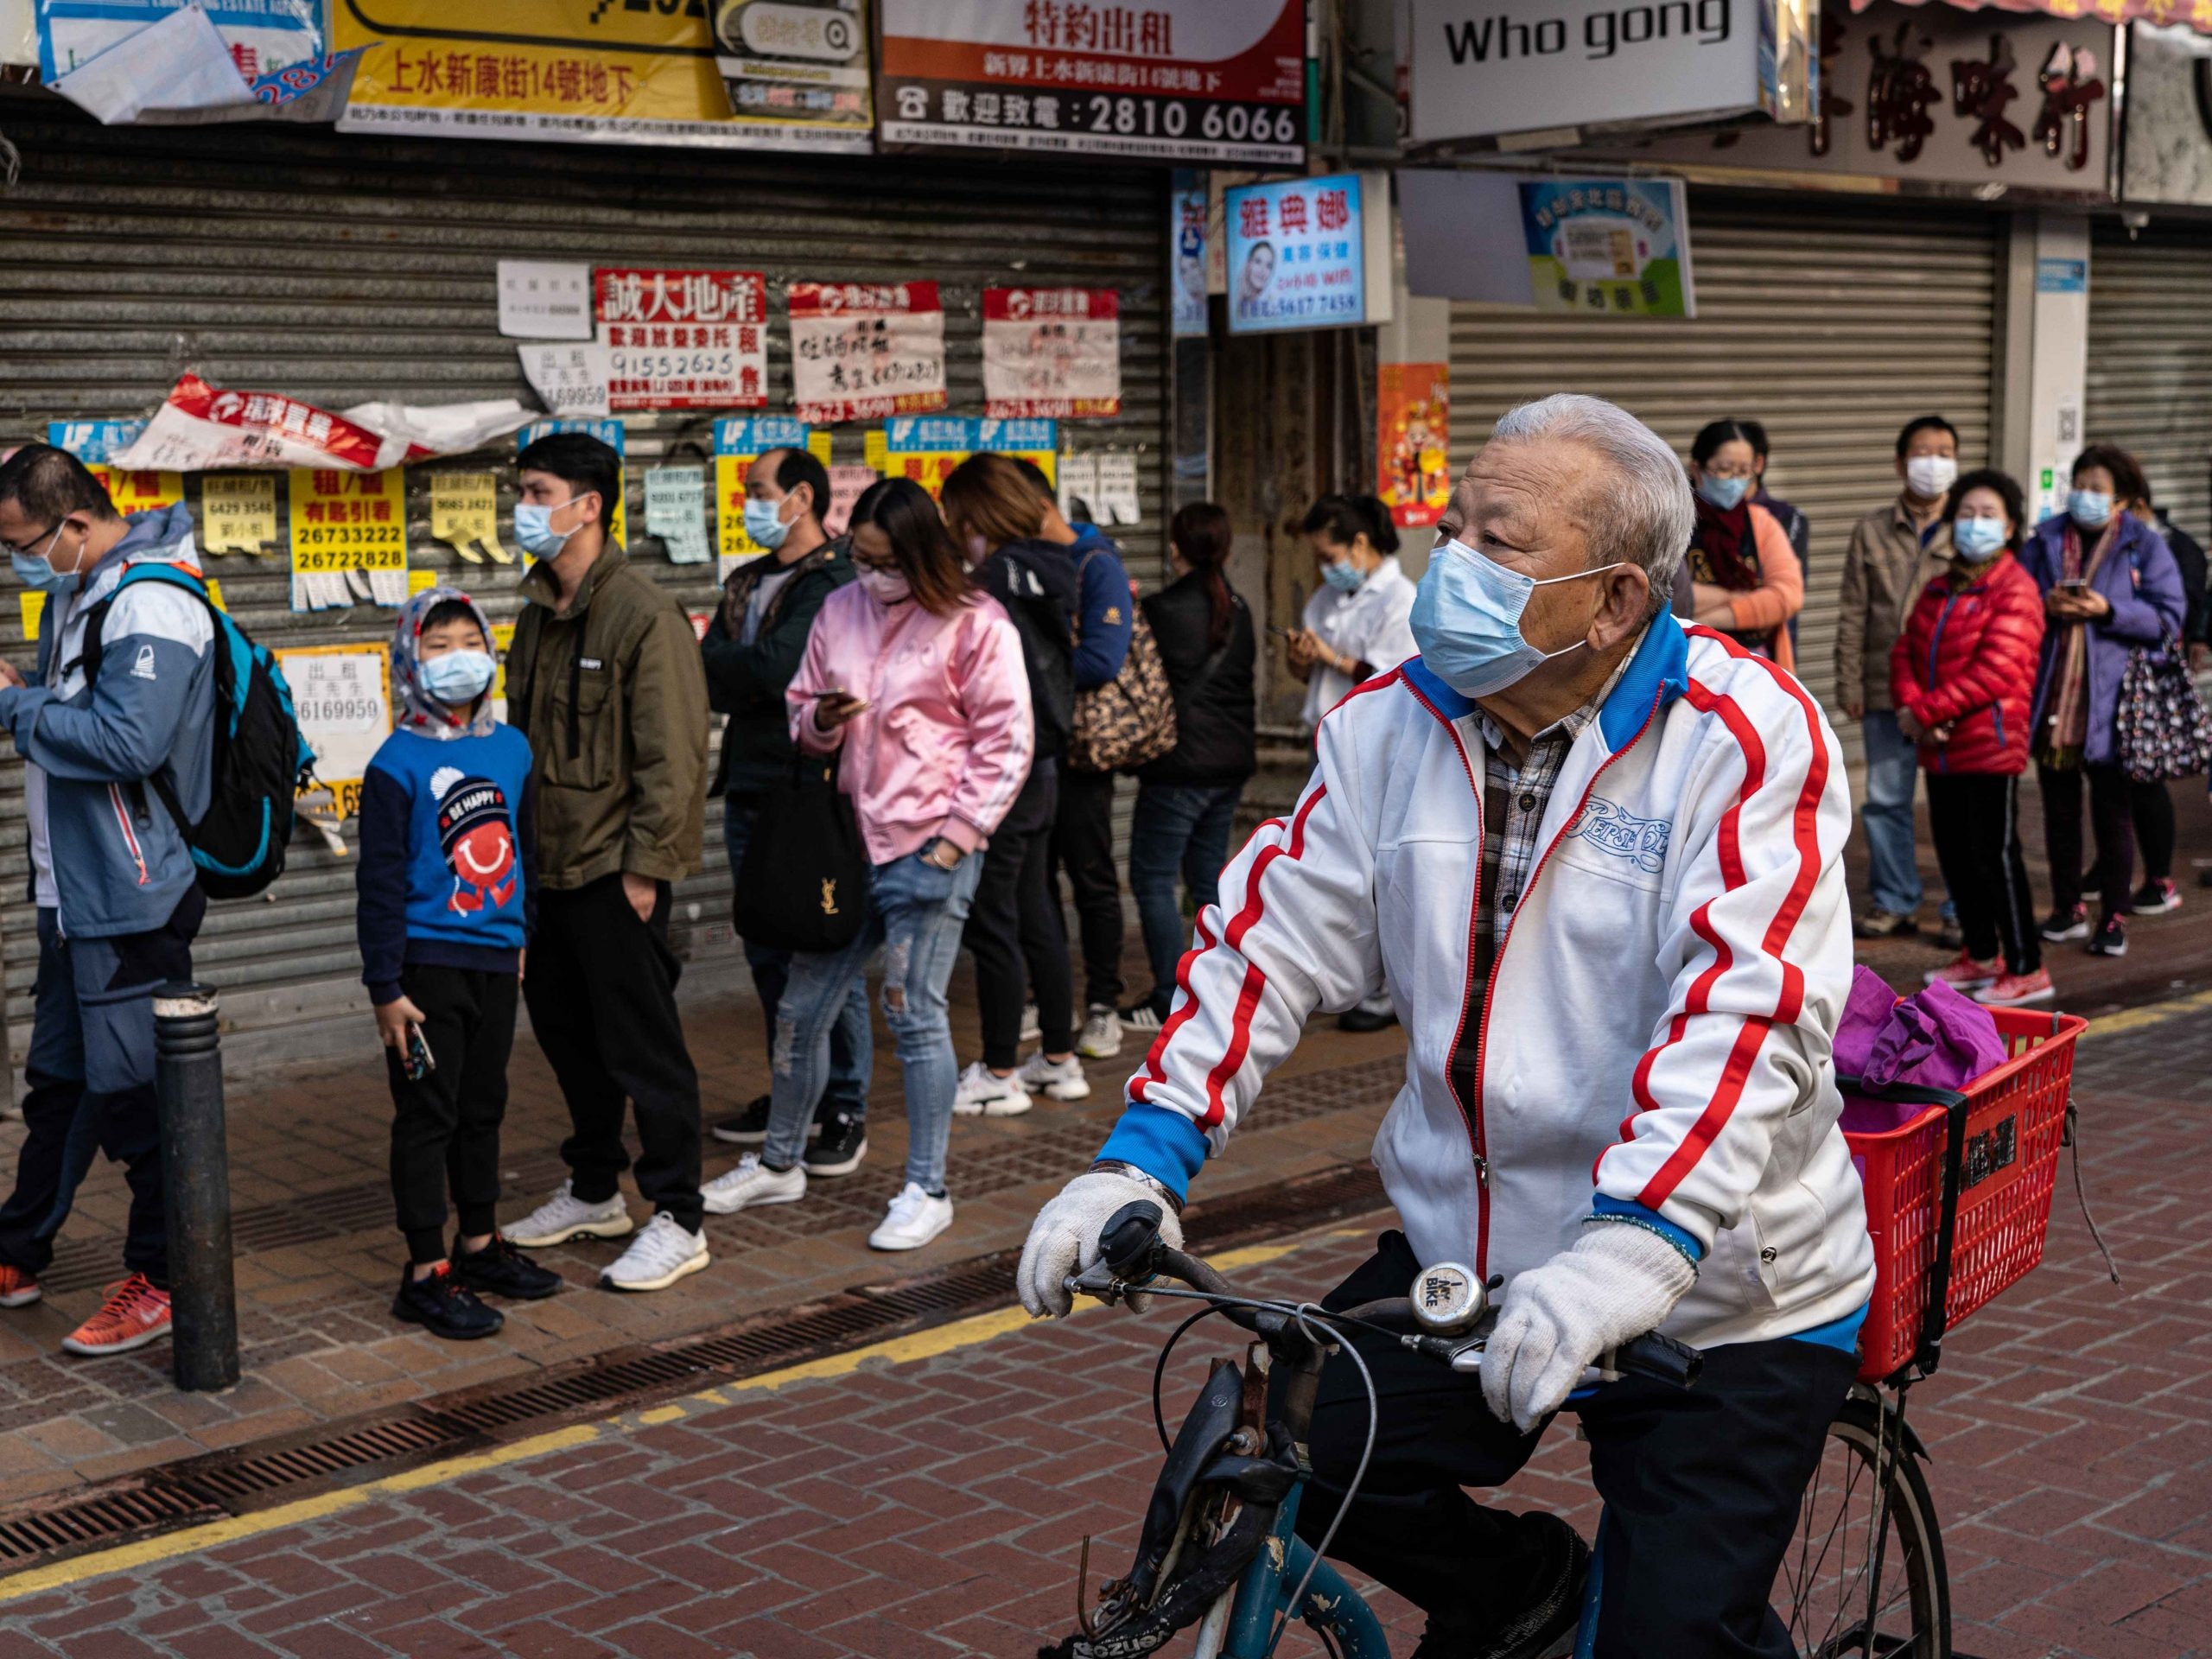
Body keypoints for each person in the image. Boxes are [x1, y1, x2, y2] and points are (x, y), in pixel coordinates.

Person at [1020, 395, 1874, 1658]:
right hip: (1469, 1259)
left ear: (1618, 599)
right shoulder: (1387, 723)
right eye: (1453, 525)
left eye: (1501, 542)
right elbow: (1266, 941)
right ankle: (1512, 1585)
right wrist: (1141, 1156)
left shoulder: (1744, 739)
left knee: (1673, 1634)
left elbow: (1749, 1014)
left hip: (1721, 1291)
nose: (1450, 563)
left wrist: (1632, 1247)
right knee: (1291, 1449)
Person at [699, 478, 1033, 1251]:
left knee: (915, 1016)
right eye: (861, 558)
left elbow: (1006, 741)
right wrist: (818, 718)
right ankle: (781, 1159)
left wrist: (956, 839)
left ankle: (928, 1185)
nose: (872, 575)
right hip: (844, 845)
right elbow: (800, 704)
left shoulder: (978, 623)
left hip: (930, 849)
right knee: (800, 1008)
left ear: (922, 555)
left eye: (887, 562)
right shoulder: (840, 607)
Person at [0, 449, 216, 1357]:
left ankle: (165, 1278)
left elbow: (128, 739)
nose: (16, 562)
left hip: (130, 897)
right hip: (73, 890)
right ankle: (18, 1248)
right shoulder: (79, 595)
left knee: (139, 1100)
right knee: (62, 1083)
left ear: (76, 526)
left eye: (21, 544)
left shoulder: (152, 602)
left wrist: (12, 709)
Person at [498, 433, 714, 1293]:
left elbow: (674, 755)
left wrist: (646, 869)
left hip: (610, 873)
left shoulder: (641, 614)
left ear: (588, 505)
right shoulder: (534, 616)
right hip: (544, 875)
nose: (523, 505)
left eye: (536, 489)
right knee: (568, 1041)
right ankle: (595, 1189)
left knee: (642, 1050)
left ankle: (679, 1214)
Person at [358, 588, 560, 1339]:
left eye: (467, 640)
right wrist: (384, 986)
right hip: (423, 970)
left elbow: (526, 853)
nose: (456, 658)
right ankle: (423, 1272)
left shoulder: (512, 747)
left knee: (483, 1106)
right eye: (436, 645)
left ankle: (478, 1246)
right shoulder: (394, 762)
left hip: (496, 959)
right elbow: (377, 885)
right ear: (409, 658)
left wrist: (523, 938)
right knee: (427, 1116)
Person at [699, 446, 868, 1175]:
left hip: (812, 787)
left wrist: (748, 671)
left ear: (801, 497)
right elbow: (709, 676)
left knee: (826, 946)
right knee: (767, 944)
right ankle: (794, 1089)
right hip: (748, 786)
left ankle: (847, 1104)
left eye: (759, 489)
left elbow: (775, 671)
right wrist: (749, 672)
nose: (749, 502)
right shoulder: (745, 580)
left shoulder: (833, 580)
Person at [938, 454, 1084, 1116]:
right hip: (1046, 763)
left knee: (995, 920)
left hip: (1006, 769)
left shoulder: (991, 581)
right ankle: (1059, 1056)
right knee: (1037, 909)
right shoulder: (1055, 567)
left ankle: (999, 1068)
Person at [1891, 471, 2050, 1007]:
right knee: (1957, 855)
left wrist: (1926, 712)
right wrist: (1915, 710)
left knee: (1997, 856)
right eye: (1966, 513)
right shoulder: (1941, 586)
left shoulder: (2015, 589)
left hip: (1989, 744)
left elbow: (1997, 671)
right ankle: (1982, 954)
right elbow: (1905, 652)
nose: (1975, 524)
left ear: (2009, 527)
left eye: (1989, 515)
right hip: (1940, 746)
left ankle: (2028, 966)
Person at [2022, 445, 2186, 959]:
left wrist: (2108, 609)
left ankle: (2112, 917)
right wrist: (2043, 603)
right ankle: (2067, 907)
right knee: (2059, 810)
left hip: (2115, 705)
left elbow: (2167, 618)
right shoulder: (2044, 541)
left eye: (2098, 488)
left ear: (2121, 499)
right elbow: (2015, 601)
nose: (2086, 496)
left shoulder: (2144, 546)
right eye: (2080, 484)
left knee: (2112, 814)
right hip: (2054, 699)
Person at [1010, 456, 1135, 1064]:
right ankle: (1049, 999)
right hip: (1033, 751)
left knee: (1090, 878)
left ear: (1037, 507)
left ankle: (1104, 1004)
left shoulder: (1096, 563)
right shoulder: (1018, 565)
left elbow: (1104, 660)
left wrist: (1024, 667)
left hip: (1083, 755)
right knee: (1036, 883)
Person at [1122, 502, 1256, 1027]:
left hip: (1180, 769)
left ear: (1175, 547)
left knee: (1153, 877)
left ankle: (1164, 996)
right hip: (1229, 764)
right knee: (1207, 877)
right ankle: (1214, 985)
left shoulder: (1160, 609)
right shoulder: (1240, 606)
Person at [1287, 494, 1417, 1033]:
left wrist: (1329, 658)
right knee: (1337, 867)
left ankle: (1390, 990)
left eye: (1328, 553)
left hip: (1381, 751)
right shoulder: (1325, 597)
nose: (1324, 566)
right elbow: (1316, 678)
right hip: (1329, 743)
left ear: (1360, 544)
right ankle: (1350, 976)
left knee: (1382, 869)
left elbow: (1393, 677)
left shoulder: (1400, 600)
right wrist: (1302, 662)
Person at [1836, 415, 1961, 940]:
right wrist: (1849, 681)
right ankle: (1894, 899)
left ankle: (1962, 907)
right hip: (1886, 687)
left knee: (1956, 805)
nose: (1932, 463)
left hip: (1953, 695)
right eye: (1921, 452)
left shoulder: (1972, 526)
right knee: (1886, 799)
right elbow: (1853, 612)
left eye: (1943, 452)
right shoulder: (1871, 530)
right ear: (1899, 463)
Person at [1680, 420, 1804, 671]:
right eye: (1724, 469)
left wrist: (1701, 619)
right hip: (1687, 665)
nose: (1735, 480)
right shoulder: (1674, 523)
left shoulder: (1762, 523)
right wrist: (1744, 597)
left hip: (1757, 669)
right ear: (1697, 469)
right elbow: (1671, 597)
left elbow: (1786, 597)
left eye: (1744, 471)